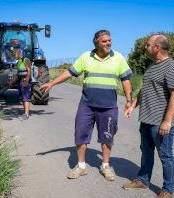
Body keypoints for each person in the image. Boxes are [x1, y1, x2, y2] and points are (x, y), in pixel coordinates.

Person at [40, 30, 133, 181]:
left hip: (109, 106)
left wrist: (129, 100)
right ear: (96, 43)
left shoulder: (119, 58)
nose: (108, 43)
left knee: (107, 137)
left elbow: (126, 80)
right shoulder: (85, 57)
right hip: (87, 106)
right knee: (80, 134)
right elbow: (69, 73)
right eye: (104, 41)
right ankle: (81, 166)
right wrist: (52, 83)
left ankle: (105, 166)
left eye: (109, 40)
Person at [122, 34, 174, 198]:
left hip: (161, 122)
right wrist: (133, 106)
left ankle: (167, 191)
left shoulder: (172, 67)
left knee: (166, 156)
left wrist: (167, 121)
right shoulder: (152, 66)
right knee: (146, 151)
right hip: (147, 119)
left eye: (148, 44)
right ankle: (143, 180)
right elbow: (146, 89)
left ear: (157, 47)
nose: (145, 47)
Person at [10, 48, 32, 121]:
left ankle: (26, 114)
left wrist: (27, 80)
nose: (14, 56)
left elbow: (29, 70)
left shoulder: (25, 60)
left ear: (19, 53)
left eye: (15, 54)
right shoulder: (18, 62)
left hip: (25, 81)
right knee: (22, 97)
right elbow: (17, 74)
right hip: (20, 81)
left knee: (26, 97)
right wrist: (12, 82)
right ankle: (25, 112)